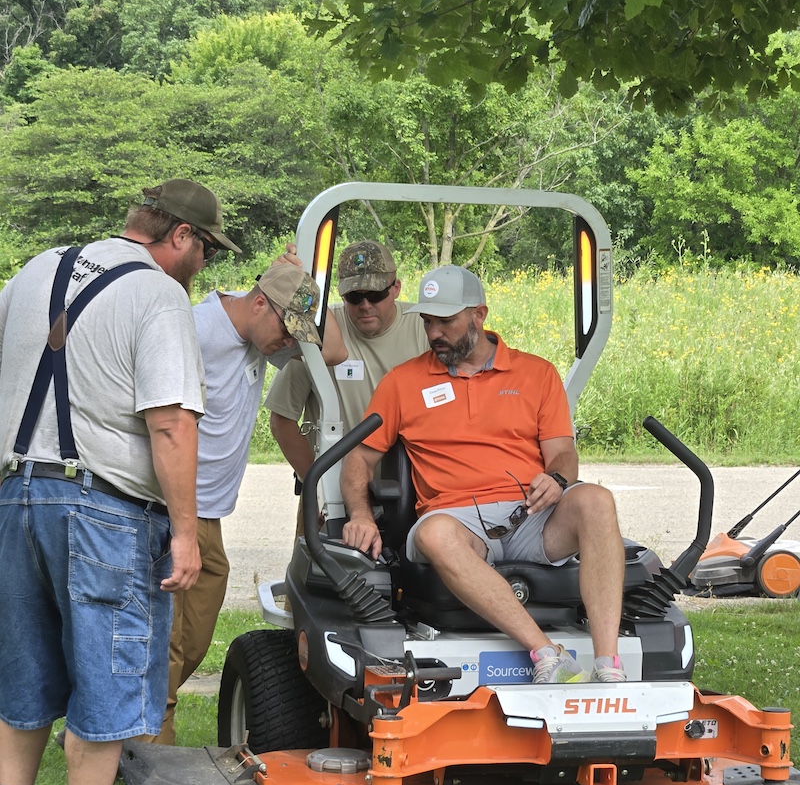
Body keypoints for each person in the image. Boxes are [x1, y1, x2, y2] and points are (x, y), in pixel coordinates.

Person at [0, 178, 218, 785]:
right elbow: (171, 422)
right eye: (206, 249)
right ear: (180, 236)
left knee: (24, 664)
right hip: (103, 506)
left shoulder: (36, 268)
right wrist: (186, 531)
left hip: (14, 496)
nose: (203, 265)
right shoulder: (157, 294)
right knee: (108, 668)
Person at [340, 264, 627, 685]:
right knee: (435, 534)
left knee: (596, 500)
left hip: (530, 514)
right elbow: (357, 460)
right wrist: (361, 515)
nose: (434, 332)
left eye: (446, 321)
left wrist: (559, 480)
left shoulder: (536, 374)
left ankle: (608, 667)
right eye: (427, 321)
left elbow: (563, 453)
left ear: (479, 314)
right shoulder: (403, 383)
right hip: (456, 520)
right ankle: (548, 654)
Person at [148, 242, 347, 745]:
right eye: (285, 330)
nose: (287, 345)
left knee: (192, 640)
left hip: (208, 514)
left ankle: (113, 720)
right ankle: (151, 756)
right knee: (168, 644)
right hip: (169, 507)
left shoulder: (263, 332)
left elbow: (336, 351)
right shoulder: (193, 328)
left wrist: (306, 292)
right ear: (258, 303)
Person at [267, 240, 428, 496]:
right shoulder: (320, 333)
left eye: (375, 295)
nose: (365, 305)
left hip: (411, 495)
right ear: (341, 295)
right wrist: (316, 486)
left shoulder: (424, 327)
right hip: (334, 497)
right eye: (354, 297)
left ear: (396, 287)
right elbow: (281, 419)